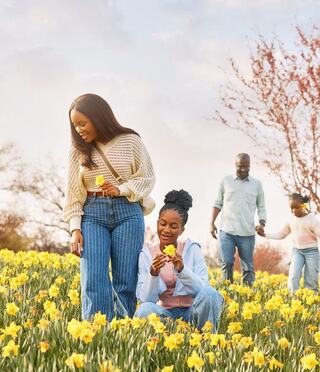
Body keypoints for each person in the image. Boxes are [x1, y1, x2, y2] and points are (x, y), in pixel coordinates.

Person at [63, 93, 155, 320]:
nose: (79, 130)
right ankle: (96, 335)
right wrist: (75, 229)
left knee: (126, 279)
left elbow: (147, 178)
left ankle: (121, 335)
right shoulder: (78, 151)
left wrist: (121, 189)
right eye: (75, 126)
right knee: (93, 277)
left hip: (128, 212)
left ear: (98, 117)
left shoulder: (131, 141)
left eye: (82, 123)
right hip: (92, 214)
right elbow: (73, 193)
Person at [135, 189, 224, 332]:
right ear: (157, 223)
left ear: (182, 229)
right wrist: (153, 273)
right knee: (144, 309)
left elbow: (202, 290)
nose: (166, 230)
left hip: (193, 313)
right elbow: (146, 299)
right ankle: (160, 341)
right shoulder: (146, 254)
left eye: (173, 226)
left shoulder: (192, 249)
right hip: (166, 316)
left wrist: (182, 269)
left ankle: (205, 339)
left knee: (211, 293)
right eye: (162, 224)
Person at [211, 153, 266, 286]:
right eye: (240, 166)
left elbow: (261, 206)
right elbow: (218, 203)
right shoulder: (226, 181)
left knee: (248, 268)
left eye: (246, 166)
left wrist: (262, 223)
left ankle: (247, 296)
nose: (243, 169)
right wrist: (211, 223)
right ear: (235, 165)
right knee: (227, 263)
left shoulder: (257, 184)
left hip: (247, 233)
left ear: (249, 166)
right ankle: (227, 292)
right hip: (227, 231)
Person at [256, 193, 320, 293]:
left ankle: (312, 300)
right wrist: (265, 235)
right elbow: (281, 234)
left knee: (311, 280)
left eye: (296, 207)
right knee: (293, 275)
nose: (294, 211)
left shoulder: (312, 219)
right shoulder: (291, 219)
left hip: (312, 252)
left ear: (303, 205)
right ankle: (293, 299)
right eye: (292, 208)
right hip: (297, 251)